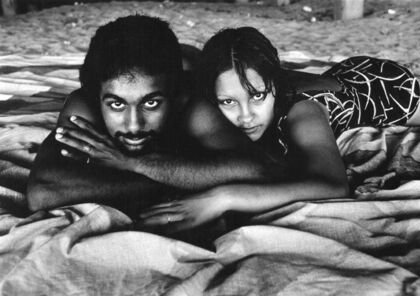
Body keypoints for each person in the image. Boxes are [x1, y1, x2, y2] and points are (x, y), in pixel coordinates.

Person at [137, 26, 420, 233]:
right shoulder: (217, 83)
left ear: (274, 85)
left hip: (382, 87)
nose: (245, 116)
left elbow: (332, 185)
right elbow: (188, 55)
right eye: (228, 102)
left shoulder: (301, 112)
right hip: (333, 77)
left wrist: (223, 197)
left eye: (257, 96)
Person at [26, 17, 279, 219]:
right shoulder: (84, 105)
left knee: (195, 62)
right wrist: (181, 178)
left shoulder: (193, 107)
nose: (134, 124)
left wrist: (137, 164)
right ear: (95, 96)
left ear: (177, 96)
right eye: (116, 104)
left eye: (151, 103)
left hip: (189, 67)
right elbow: (43, 192)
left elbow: (257, 169)